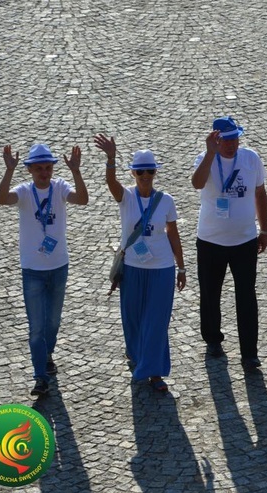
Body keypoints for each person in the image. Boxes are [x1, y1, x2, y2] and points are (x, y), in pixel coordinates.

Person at [0, 143, 89, 396]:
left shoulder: (59, 188)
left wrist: (77, 172)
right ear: (30, 170)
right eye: (39, 169)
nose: (44, 173)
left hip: (59, 266)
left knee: (53, 321)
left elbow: (82, 199)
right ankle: (40, 376)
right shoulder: (24, 192)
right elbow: (1, 199)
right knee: (36, 325)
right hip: (33, 269)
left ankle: (47, 355)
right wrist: (8, 172)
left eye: (48, 168)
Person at [94, 134, 186, 392]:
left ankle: (155, 372)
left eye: (149, 171)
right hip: (133, 268)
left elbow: (173, 234)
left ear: (155, 172)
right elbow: (111, 182)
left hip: (161, 269)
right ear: (133, 173)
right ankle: (137, 357)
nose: (145, 175)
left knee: (156, 321)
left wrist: (181, 267)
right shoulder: (126, 198)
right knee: (132, 319)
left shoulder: (166, 201)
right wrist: (111, 158)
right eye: (139, 171)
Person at [191, 116, 267, 370]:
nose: (231, 144)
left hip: (244, 240)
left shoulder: (250, 159)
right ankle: (212, 338)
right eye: (226, 140)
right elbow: (196, 183)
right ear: (215, 139)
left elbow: (259, 192)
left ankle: (249, 353)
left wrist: (264, 229)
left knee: (246, 295)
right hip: (211, 240)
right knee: (210, 293)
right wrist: (209, 154)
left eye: (235, 138)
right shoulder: (207, 159)